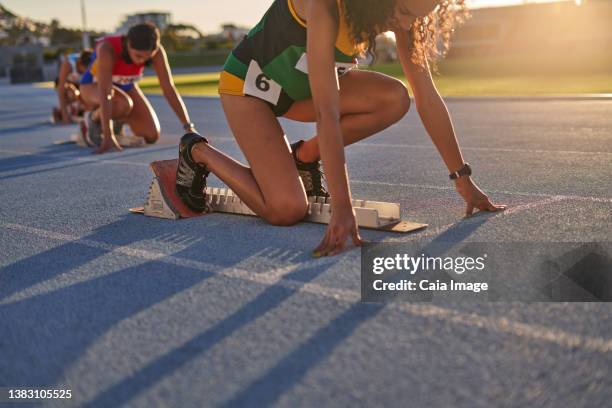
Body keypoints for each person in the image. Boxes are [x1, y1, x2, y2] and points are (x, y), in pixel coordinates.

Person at [176, 0, 507, 256]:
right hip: (249, 88)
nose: (407, 23)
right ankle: (198, 151)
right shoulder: (325, 4)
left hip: (299, 93)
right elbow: (327, 112)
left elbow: (426, 96)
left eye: (421, 13)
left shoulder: (403, 13)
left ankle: (304, 157)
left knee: (394, 98)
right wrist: (342, 208)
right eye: (404, 11)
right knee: (285, 209)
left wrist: (462, 178)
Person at [79, 23, 197, 154]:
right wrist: (108, 136)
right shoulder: (107, 48)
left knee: (151, 135)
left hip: (126, 88)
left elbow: (168, 88)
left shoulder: (157, 51)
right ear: (128, 44)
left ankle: (117, 120)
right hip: (93, 86)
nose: (141, 62)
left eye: (147, 58)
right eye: (138, 56)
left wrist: (188, 127)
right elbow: (105, 92)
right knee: (122, 104)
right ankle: (93, 118)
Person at [53, 50, 92, 124]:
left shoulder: (91, 65)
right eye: (84, 71)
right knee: (71, 94)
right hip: (66, 84)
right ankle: (60, 111)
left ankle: (77, 109)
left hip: (79, 84)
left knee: (86, 99)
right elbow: (61, 89)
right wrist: (65, 117)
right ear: (79, 63)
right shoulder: (68, 64)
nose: (85, 73)